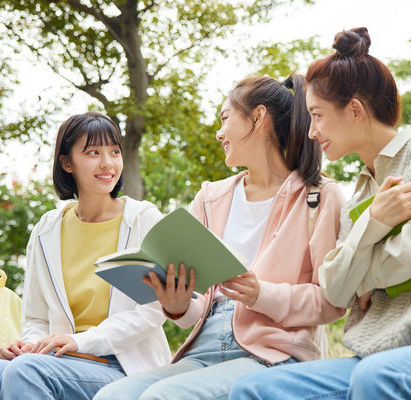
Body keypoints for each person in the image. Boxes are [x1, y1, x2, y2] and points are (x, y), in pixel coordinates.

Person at [230, 27, 411, 400]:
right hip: (381, 352)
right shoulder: (361, 194)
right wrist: (373, 223)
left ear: (354, 110)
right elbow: (334, 285)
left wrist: (365, 279)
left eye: (317, 115)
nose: (311, 132)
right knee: (255, 388)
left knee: (377, 379)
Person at [94, 74, 347, 400]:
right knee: (111, 397)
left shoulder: (320, 196)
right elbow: (196, 311)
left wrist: (260, 294)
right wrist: (179, 304)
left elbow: (331, 302)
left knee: (163, 398)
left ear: (258, 117)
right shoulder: (211, 198)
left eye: (225, 118)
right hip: (204, 348)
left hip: (273, 354)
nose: (219, 132)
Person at [0, 112, 171, 399]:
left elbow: (152, 311)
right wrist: (30, 346)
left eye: (114, 151)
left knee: (26, 371)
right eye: (93, 152)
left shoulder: (143, 219)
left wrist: (78, 341)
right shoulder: (46, 230)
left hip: (124, 365)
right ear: (66, 163)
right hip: (60, 360)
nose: (107, 163)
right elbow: (35, 317)